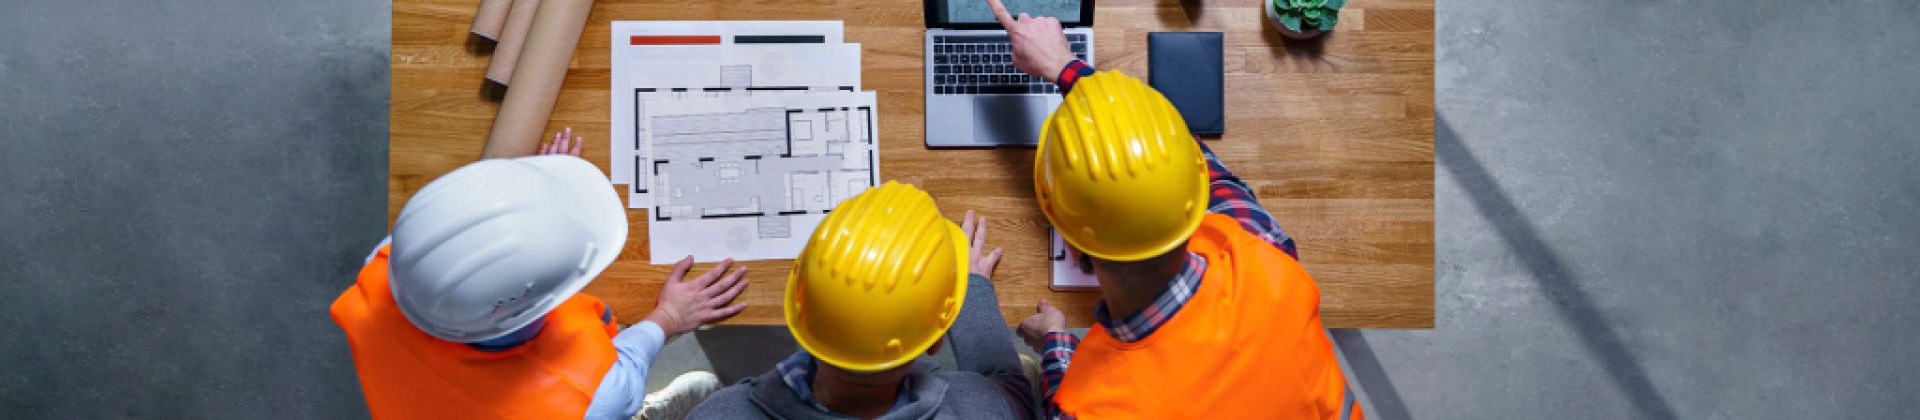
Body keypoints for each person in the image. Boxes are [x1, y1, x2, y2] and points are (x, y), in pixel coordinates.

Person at [987, 0, 1364, 418]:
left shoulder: (1088, 406)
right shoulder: (1268, 257)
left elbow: (1064, 400)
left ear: (1071, 244)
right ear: (1193, 190)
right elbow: (1174, 153)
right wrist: (1064, 66)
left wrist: (1055, 342)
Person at [331, 128, 746, 419]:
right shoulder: (591, 399)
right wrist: (670, 317)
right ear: (522, 310)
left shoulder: (388, 261)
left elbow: (462, 234)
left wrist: (529, 193)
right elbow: (625, 366)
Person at [687, 181, 1037, 419]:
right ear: (934, 343)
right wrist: (972, 287)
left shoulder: (717, 412)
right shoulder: (983, 407)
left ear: (798, 306)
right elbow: (1009, 387)